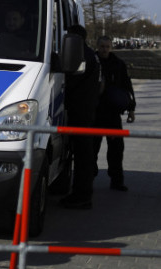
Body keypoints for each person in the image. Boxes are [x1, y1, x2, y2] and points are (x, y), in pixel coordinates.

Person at [60, 25, 102, 209]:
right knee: (84, 153)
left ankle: (82, 195)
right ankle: (81, 192)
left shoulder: (81, 55)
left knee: (83, 154)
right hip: (88, 108)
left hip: (81, 111)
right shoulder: (92, 54)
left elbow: (72, 80)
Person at [93, 35, 136, 191]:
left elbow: (127, 86)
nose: (105, 49)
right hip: (96, 113)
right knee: (92, 149)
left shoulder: (118, 64)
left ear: (111, 47)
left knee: (116, 150)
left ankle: (117, 180)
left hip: (112, 114)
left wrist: (131, 108)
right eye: (102, 46)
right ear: (97, 46)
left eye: (107, 47)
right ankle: (89, 177)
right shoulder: (92, 62)